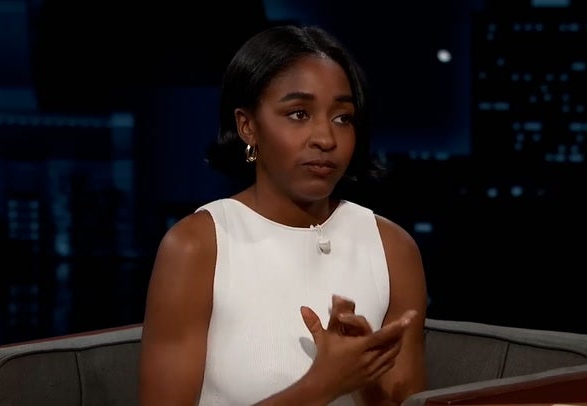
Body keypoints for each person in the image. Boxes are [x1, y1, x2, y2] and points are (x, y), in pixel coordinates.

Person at [139, 24, 428, 405]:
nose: (325, 139)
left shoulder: (393, 249)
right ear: (248, 126)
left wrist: (364, 376)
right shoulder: (196, 246)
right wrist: (321, 385)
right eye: (299, 114)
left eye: (342, 118)